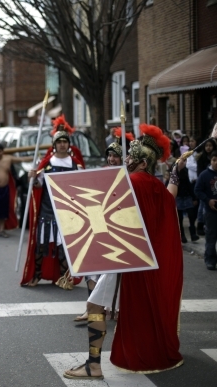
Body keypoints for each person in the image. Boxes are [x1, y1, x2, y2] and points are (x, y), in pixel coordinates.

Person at [64, 123, 183, 379]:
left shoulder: (132, 183)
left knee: (94, 304)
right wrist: (174, 174)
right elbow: (169, 201)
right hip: (140, 260)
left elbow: (106, 218)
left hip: (122, 258)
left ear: (142, 163)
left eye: (130, 156)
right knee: (125, 309)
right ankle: (106, 359)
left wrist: (83, 248)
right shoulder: (154, 185)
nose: (125, 158)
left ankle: (93, 365)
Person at [74, 127, 131, 322]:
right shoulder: (102, 174)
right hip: (101, 227)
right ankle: (92, 308)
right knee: (93, 268)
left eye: (115, 156)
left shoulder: (129, 177)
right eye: (110, 156)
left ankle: (114, 308)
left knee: (115, 273)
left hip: (122, 230)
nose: (111, 159)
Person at [20, 116, 84, 287]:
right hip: (48, 208)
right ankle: (37, 275)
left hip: (68, 210)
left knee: (65, 245)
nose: (62, 144)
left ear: (68, 144)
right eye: (59, 142)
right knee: (42, 243)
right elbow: (38, 185)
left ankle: (64, 277)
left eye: (65, 141)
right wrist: (32, 178)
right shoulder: (47, 163)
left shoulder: (75, 164)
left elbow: (82, 187)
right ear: (54, 145)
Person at [195, 150, 217, 270]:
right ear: (211, 161)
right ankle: (210, 259)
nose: (216, 163)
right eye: (214, 160)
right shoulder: (204, 175)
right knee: (211, 237)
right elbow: (197, 190)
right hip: (210, 212)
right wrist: (208, 200)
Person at [195, 138, 216, 236]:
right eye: (206, 146)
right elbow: (200, 173)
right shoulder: (201, 157)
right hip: (205, 184)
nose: (208, 148)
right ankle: (200, 224)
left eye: (210, 145)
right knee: (202, 206)